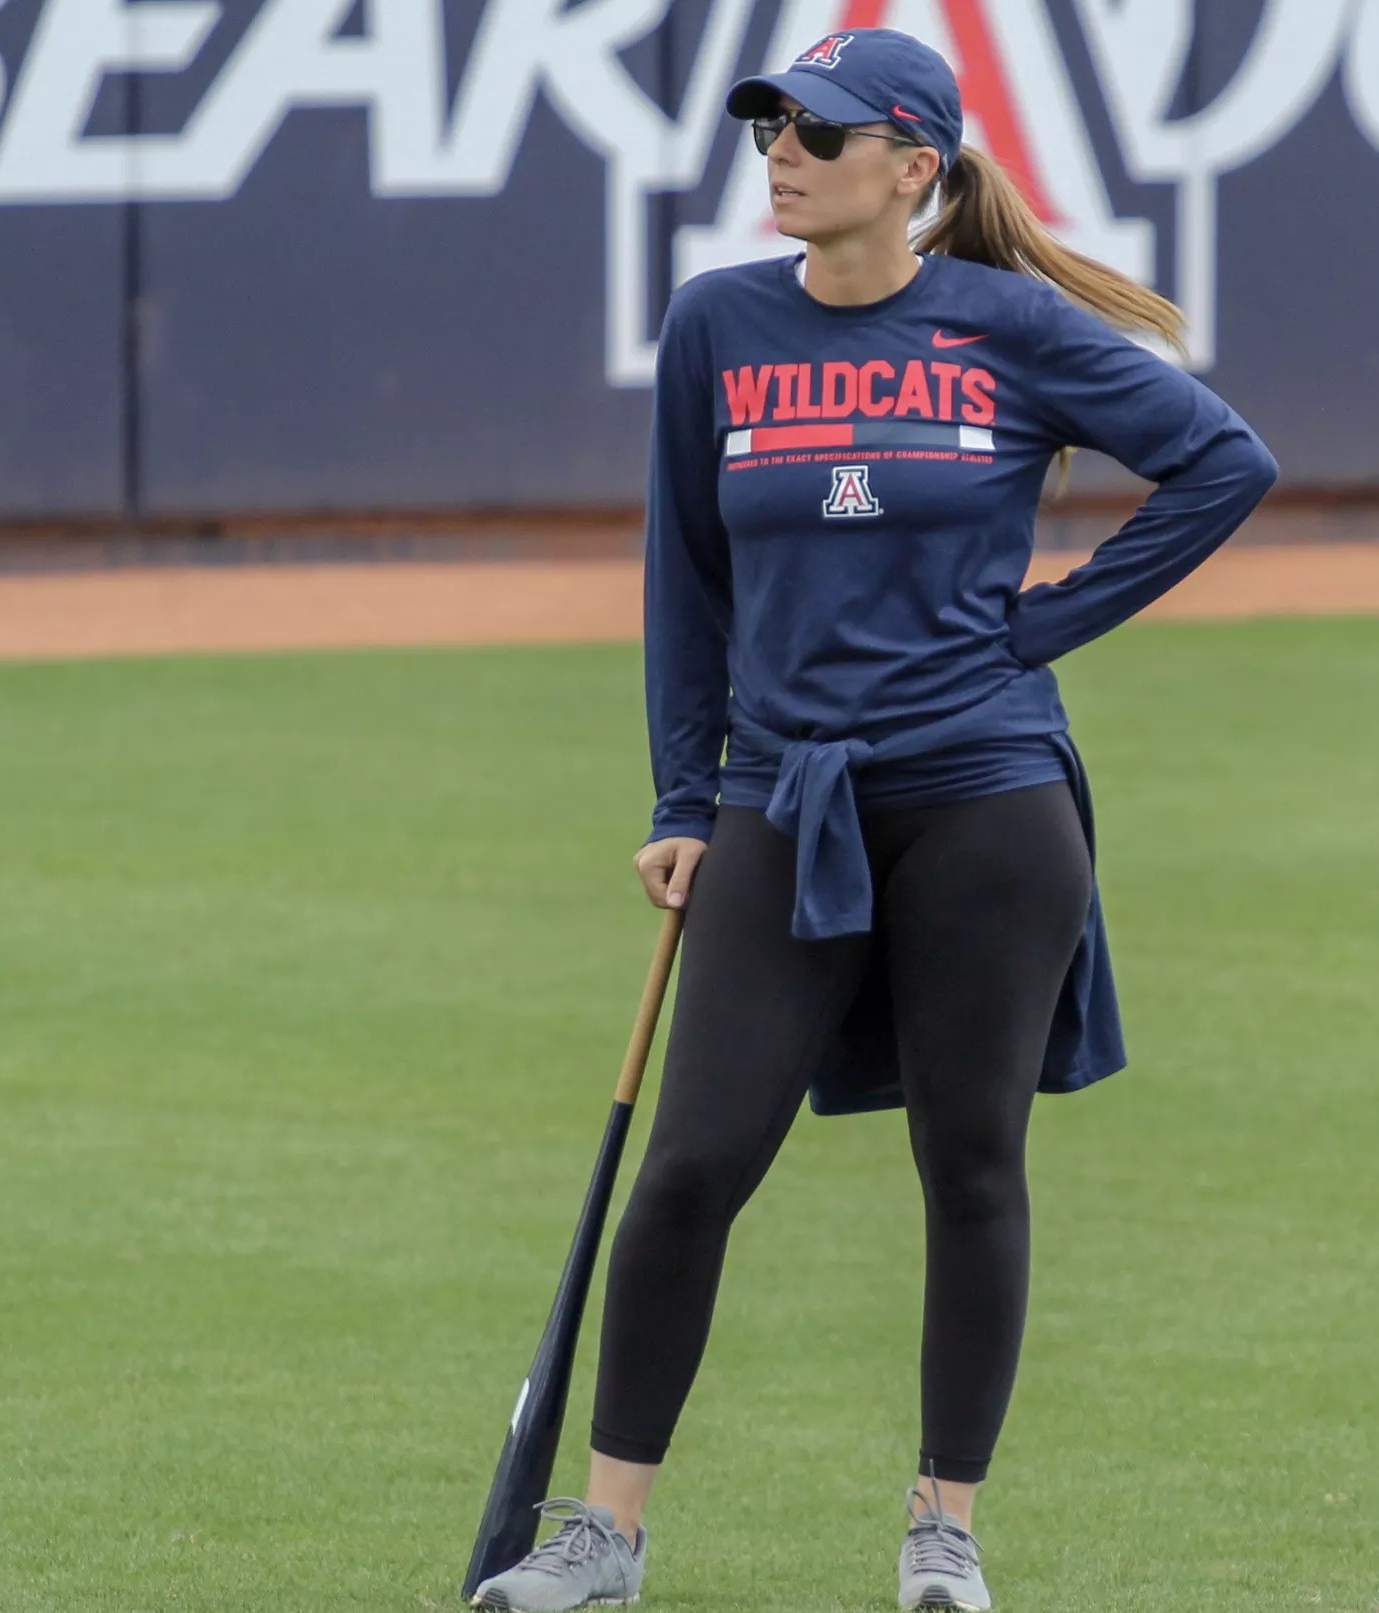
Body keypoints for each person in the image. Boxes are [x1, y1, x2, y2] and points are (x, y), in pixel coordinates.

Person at [468, 26, 1279, 1613]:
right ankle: (606, 1535)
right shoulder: (718, 325)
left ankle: (942, 1529)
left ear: (915, 168)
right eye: (770, 126)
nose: (783, 152)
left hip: (987, 800)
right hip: (780, 793)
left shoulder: (1006, 322)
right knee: (693, 1162)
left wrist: (1045, 623)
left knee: (970, 1161)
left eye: (820, 133)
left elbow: (1220, 461)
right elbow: (686, 580)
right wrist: (682, 792)